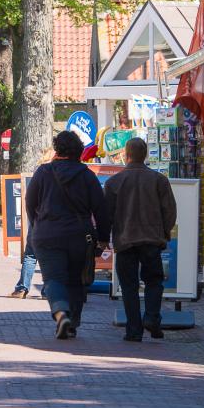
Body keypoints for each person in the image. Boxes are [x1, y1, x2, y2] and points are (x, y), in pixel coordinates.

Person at [26, 130, 111, 340]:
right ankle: (72, 323)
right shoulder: (87, 176)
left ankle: (61, 313)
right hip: (79, 236)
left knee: (53, 278)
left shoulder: (43, 172)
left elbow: (30, 202)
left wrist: (37, 224)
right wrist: (103, 238)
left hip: (47, 235)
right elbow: (101, 209)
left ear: (57, 149)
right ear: (79, 151)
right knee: (76, 280)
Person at [103, 137, 177, 341]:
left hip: (125, 240)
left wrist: (104, 238)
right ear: (145, 155)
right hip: (151, 239)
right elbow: (169, 210)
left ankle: (134, 330)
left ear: (126, 155)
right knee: (154, 281)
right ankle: (152, 317)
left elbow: (106, 215)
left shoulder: (113, 182)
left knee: (129, 286)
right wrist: (164, 232)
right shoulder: (159, 180)